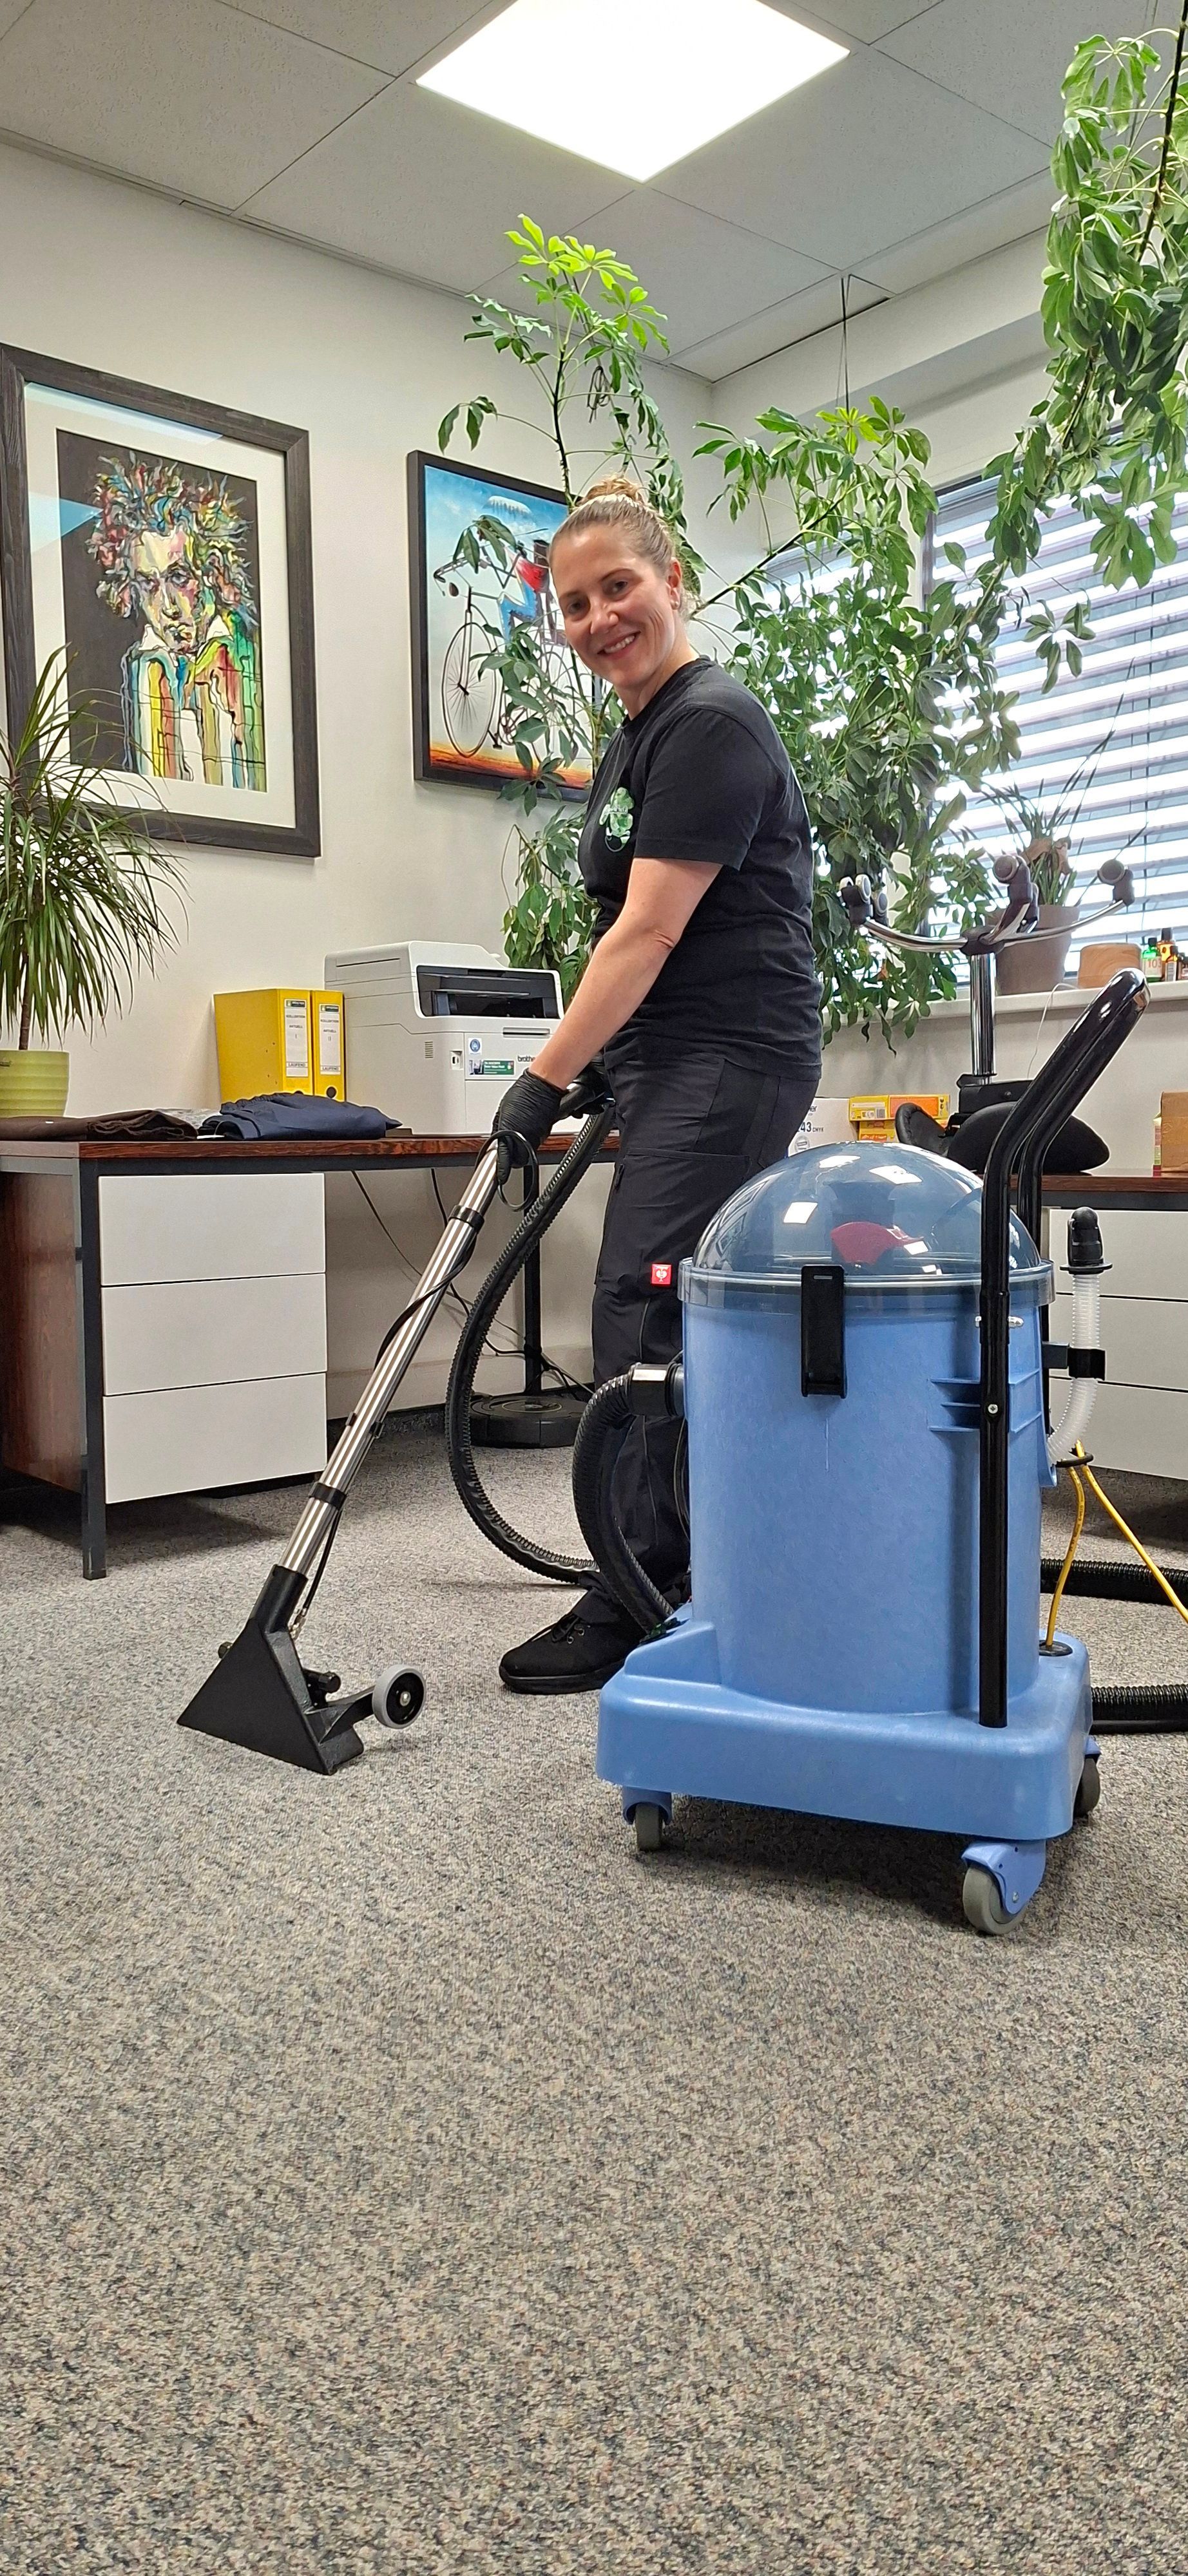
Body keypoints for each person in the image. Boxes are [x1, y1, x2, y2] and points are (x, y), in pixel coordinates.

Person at [493, 476, 822, 1693]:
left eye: (617, 588)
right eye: (573, 604)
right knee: (671, 1314)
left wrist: (541, 1076)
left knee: (639, 1302)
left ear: (671, 579)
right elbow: (626, 934)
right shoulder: (640, 731)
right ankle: (681, 1563)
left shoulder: (713, 725)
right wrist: (601, 1070)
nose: (595, 620)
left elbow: (645, 935)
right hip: (679, 1057)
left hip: (732, 1053)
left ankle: (633, 1590)